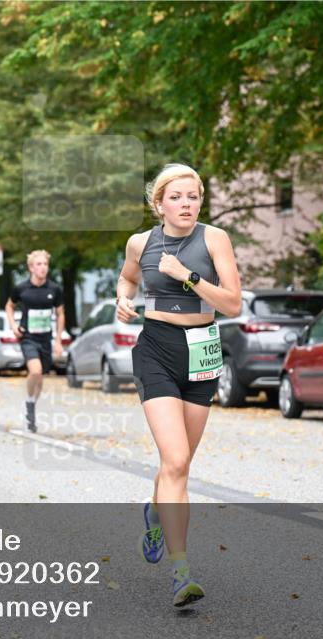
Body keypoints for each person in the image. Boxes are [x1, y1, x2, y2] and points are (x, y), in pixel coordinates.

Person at [117, 163, 241, 608]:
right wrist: (122, 300)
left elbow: (232, 302)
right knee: (177, 458)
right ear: (159, 204)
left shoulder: (214, 239)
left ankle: (154, 511)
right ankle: (181, 572)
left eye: (193, 197)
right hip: (157, 348)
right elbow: (129, 277)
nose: (187, 204)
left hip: (202, 350)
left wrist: (187, 276)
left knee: (177, 469)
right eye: (177, 197)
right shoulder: (140, 242)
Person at [4, 250, 65, 433]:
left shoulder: (54, 289)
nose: (43, 268)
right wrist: (13, 326)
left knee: (40, 378)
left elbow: (61, 313)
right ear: (31, 267)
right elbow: (9, 306)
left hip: (45, 338)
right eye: (39, 264)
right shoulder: (21, 289)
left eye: (45, 264)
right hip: (28, 337)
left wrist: (59, 340)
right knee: (35, 371)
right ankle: (30, 405)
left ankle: (31, 404)